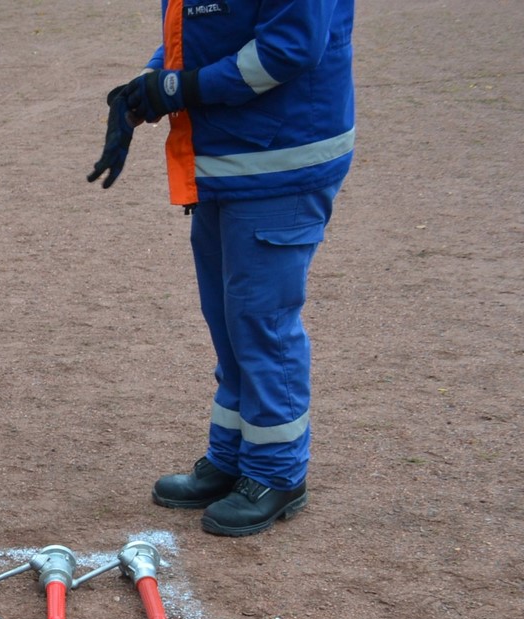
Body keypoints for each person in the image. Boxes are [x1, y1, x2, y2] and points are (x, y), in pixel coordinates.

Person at [89, 0, 354, 536]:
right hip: (226, 160)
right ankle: (233, 457)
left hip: (278, 161)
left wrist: (178, 89)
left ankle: (277, 473)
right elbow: (196, 30)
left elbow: (288, 48)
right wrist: (147, 88)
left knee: (261, 324)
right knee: (231, 323)